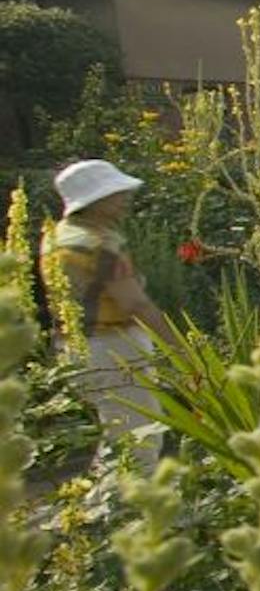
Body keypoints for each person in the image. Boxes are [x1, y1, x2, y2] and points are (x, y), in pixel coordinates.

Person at [44, 159, 173, 477]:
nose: (124, 199)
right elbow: (135, 304)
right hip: (115, 347)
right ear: (96, 200)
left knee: (116, 434)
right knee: (139, 438)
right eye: (117, 194)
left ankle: (99, 513)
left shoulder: (58, 236)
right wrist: (179, 345)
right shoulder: (99, 245)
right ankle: (126, 515)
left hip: (75, 345)